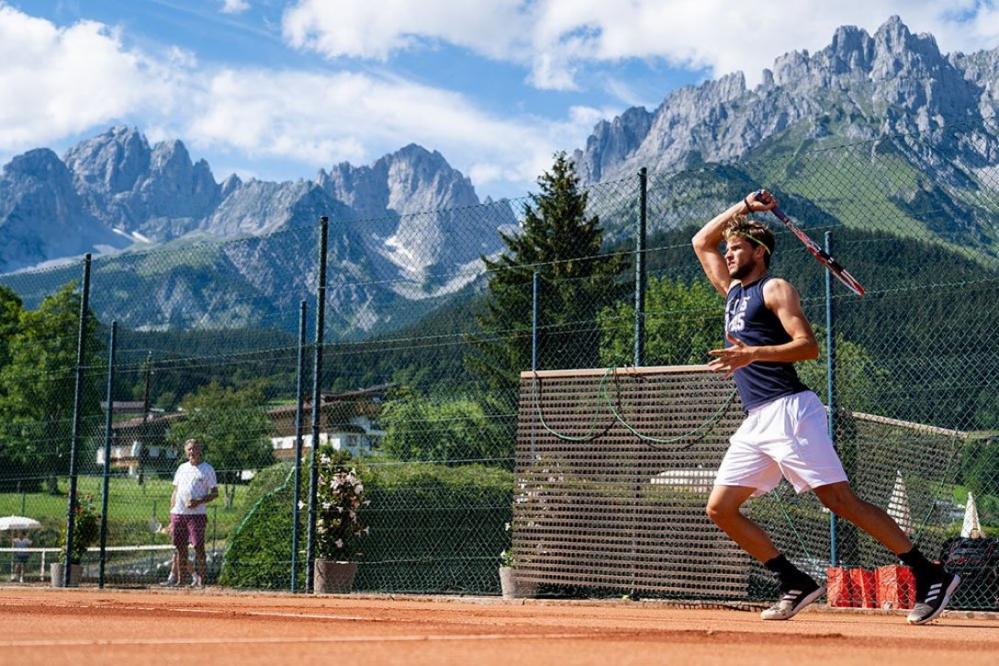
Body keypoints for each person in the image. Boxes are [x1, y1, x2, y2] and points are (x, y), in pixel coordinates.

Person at [691, 190, 960, 624]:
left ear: (759, 252)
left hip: (789, 411)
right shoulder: (732, 294)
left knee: (839, 501)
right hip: (757, 419)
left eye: (737, 247)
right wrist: (743, 206)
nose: (728, 252)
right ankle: (795, 582)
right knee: (720, 508)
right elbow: (700, 241)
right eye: (729, 248)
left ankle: (930, 574)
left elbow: (808, 347)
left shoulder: (773, 288)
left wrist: (752, 354)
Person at [167, 438, 218, 588]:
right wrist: (172, 514)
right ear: (185, 451)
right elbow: (175, 492)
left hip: (197, 515)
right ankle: (181, 581)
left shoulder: (207, 469)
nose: (192, 452)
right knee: (180, 548)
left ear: (199, 450)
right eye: (189, 449)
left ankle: (202, 582)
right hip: (178, 514)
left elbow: (215, 493)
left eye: (195, 448)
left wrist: (198, 501)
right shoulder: (181, 468)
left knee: (198, 547)